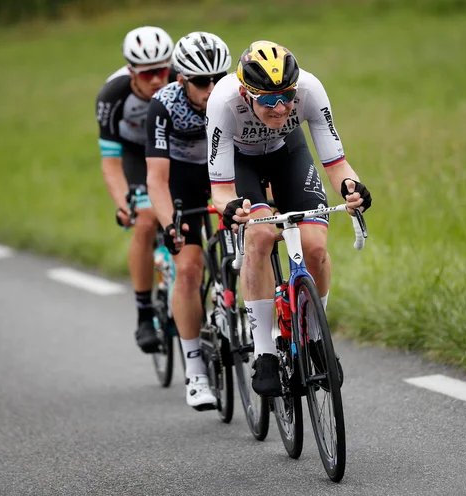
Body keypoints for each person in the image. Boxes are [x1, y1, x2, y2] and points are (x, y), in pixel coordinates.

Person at [205, 40, 372, 396]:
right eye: (268, 99)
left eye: (287, 96)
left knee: (315, 246)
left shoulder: (310, 90)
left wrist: (352, 188)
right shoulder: (222, 101)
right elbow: (220, 190)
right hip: (242, 162)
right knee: (261, 237)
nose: (280, 107)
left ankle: (314, 335)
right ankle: (264, 351)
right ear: (247, 94)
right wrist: (231, 207)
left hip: (288, 153)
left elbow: (337, 165)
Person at [145, 32, 233, 410]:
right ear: (181, 80)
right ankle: (196, 372)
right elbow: (157, 180)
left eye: (218, 77)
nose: (212, 88)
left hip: (224, 171)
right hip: (181, 176)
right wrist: (169, 224)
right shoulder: (163, 105)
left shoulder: (233, 96)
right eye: (201, 81)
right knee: (190, 267)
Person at [95, 26, 177, 354]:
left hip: (174, 150)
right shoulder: (112, 97)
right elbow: (111, 162)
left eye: (162, 70)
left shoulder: (185, 79)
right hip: (136, 155)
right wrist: (122, 204)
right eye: (147, 74)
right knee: (145, 219)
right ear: (131, 71)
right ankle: (144, 312)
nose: (157, 80)